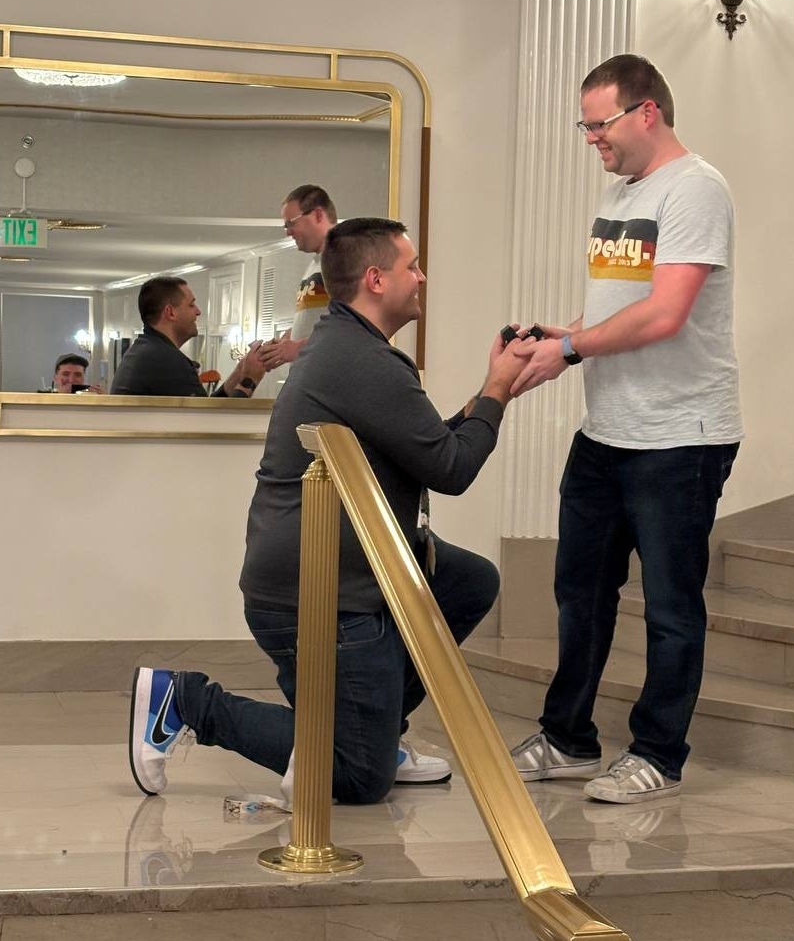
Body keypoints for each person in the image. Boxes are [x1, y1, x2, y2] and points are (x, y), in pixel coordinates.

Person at [129, 217, 528, 805]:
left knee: (468, 581)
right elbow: (451, 470)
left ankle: (376, 728)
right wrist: (496, 390)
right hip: (318, 595)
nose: (421, 277)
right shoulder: (362, 360)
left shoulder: (347, 345)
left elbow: (425, 447)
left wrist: (495, 391)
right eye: (412, 266)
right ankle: (185, 701)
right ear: (376, 279)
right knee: (358, 776)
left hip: (346, 573)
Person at [509, 54, 743, 804]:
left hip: (680, 436)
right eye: (584, 126)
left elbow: (666, 314)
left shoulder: (696, 188)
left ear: (647, 112)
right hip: (607, 431)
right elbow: (620, 303)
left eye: (598, 124)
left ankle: (659, 754)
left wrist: (573, 348)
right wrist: (563, 333)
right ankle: (568, 738)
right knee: (579, 590)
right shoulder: (620, 192)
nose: (591, 139)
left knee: (671, 606)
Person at [110, 276, 266, 397]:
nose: (198, 311)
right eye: (191, 305)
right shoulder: (167, 360)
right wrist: (249, 381)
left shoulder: (146, 350)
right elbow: (208, 422)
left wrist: (240, 370)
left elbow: (206, 408)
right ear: (170, 312)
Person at [258, 184, 337, 372]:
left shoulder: (343, 259)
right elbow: (316, 321)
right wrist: (284, 343)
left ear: (318, 215)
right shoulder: (316, 264)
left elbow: (348, 328)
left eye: (291, 223)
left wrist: (297, 348)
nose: (287, 232)